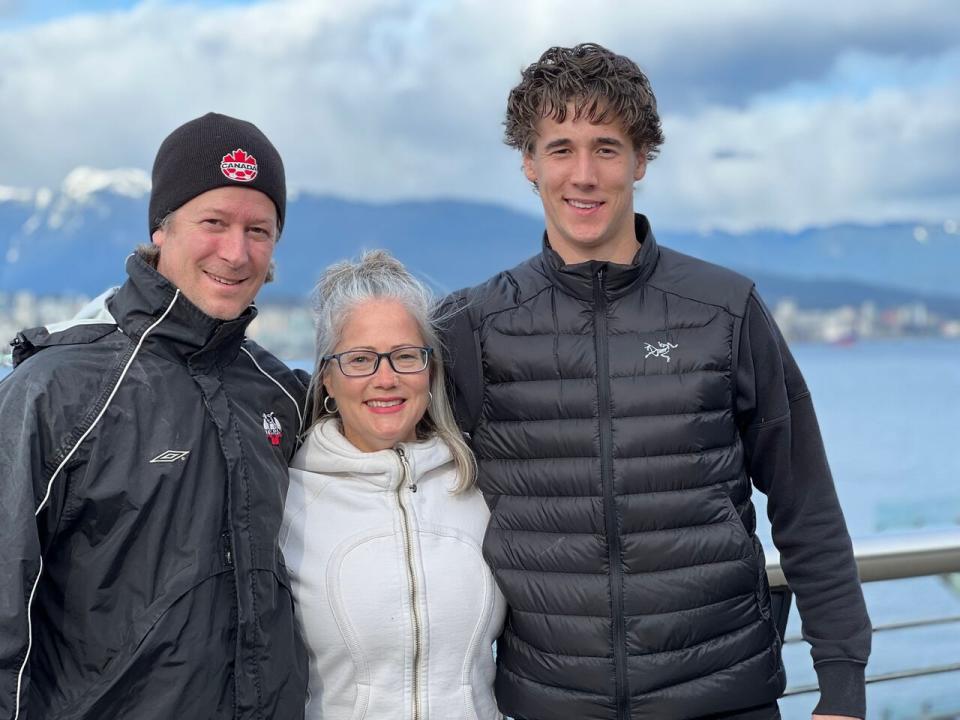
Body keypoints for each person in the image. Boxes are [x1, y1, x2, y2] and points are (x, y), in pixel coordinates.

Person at [440, 44, 871, 720]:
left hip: (723, 695)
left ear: (641, 160)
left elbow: (806, 504)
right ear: (528, 163)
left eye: (607, 148)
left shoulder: (725, 311)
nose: (583, 175)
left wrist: (843, 684)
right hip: (549, 704)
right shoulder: (474, 325)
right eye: (560, 148)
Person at [0, 112, 308, 719]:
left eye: (259, 229)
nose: (236, 251)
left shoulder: (277, 392)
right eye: (213, 222)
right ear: (162, 229)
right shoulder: (57, 391)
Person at [280, 250, 506, 720]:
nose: (386, 379)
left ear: (431, 370)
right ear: (327, 376)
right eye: (360, 359)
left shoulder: (481, 486)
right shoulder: (287, 498)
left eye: (405, 356)